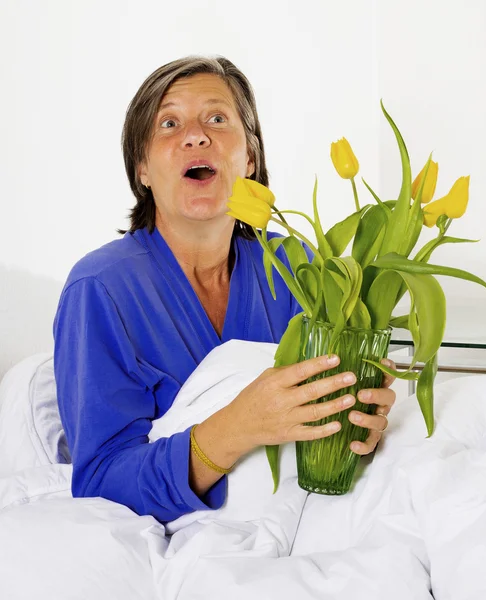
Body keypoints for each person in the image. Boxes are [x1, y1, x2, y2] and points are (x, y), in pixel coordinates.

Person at [53, 55, 396, 524]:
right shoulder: (100, 291)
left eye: (217, 118)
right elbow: (99, 482)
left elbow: (332, 420)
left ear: (250, 159)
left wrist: (363, 422)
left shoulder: (303, 271)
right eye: (169, 123)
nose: (196, 135)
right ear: (142, 169)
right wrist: (238, 426)